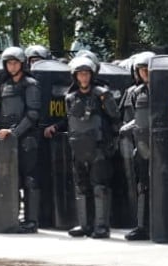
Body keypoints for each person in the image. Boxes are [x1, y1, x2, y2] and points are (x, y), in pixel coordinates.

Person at [47, 56, 120, 238]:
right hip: (78, 146)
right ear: (75, 76)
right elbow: (69, 120)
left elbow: (115, 117)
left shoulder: (102, 93)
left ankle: (102, 226)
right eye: (80, 74)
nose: (84, 77)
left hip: (99, 146)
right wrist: (55, 126)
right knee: (81, 187)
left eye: (86, 73)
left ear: (92, 75)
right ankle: (85, 225)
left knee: (100, 186)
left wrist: (106, 100)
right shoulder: (71, 97)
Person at [0, 47, 44, 233]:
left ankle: (31, 220)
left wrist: (14, 132)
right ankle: (12, 217)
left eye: (15, 62)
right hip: (6, 139)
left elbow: (33, 114)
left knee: (30, 179)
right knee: (11, 180)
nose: (12, 66)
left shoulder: (31, 84)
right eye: (9, 62)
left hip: (26, 138)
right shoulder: (5, 85)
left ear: (22, 64)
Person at [119, 53, 153, 240]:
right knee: (142, 186)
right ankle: (142, 226)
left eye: (148, 69)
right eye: (141, 69)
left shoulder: (163, 90)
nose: (145, 73)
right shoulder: (136, 92)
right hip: (141, 145)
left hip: (160, 146)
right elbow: (134, 118)